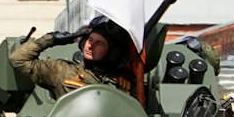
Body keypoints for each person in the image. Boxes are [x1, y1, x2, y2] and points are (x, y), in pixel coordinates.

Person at [10, 15, 139, 99]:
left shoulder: (124, 81)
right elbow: (18, 59)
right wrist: (52, 39)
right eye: (89, 40)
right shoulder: (63, 71)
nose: (90, 46)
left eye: (99, 43)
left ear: (112, 53)